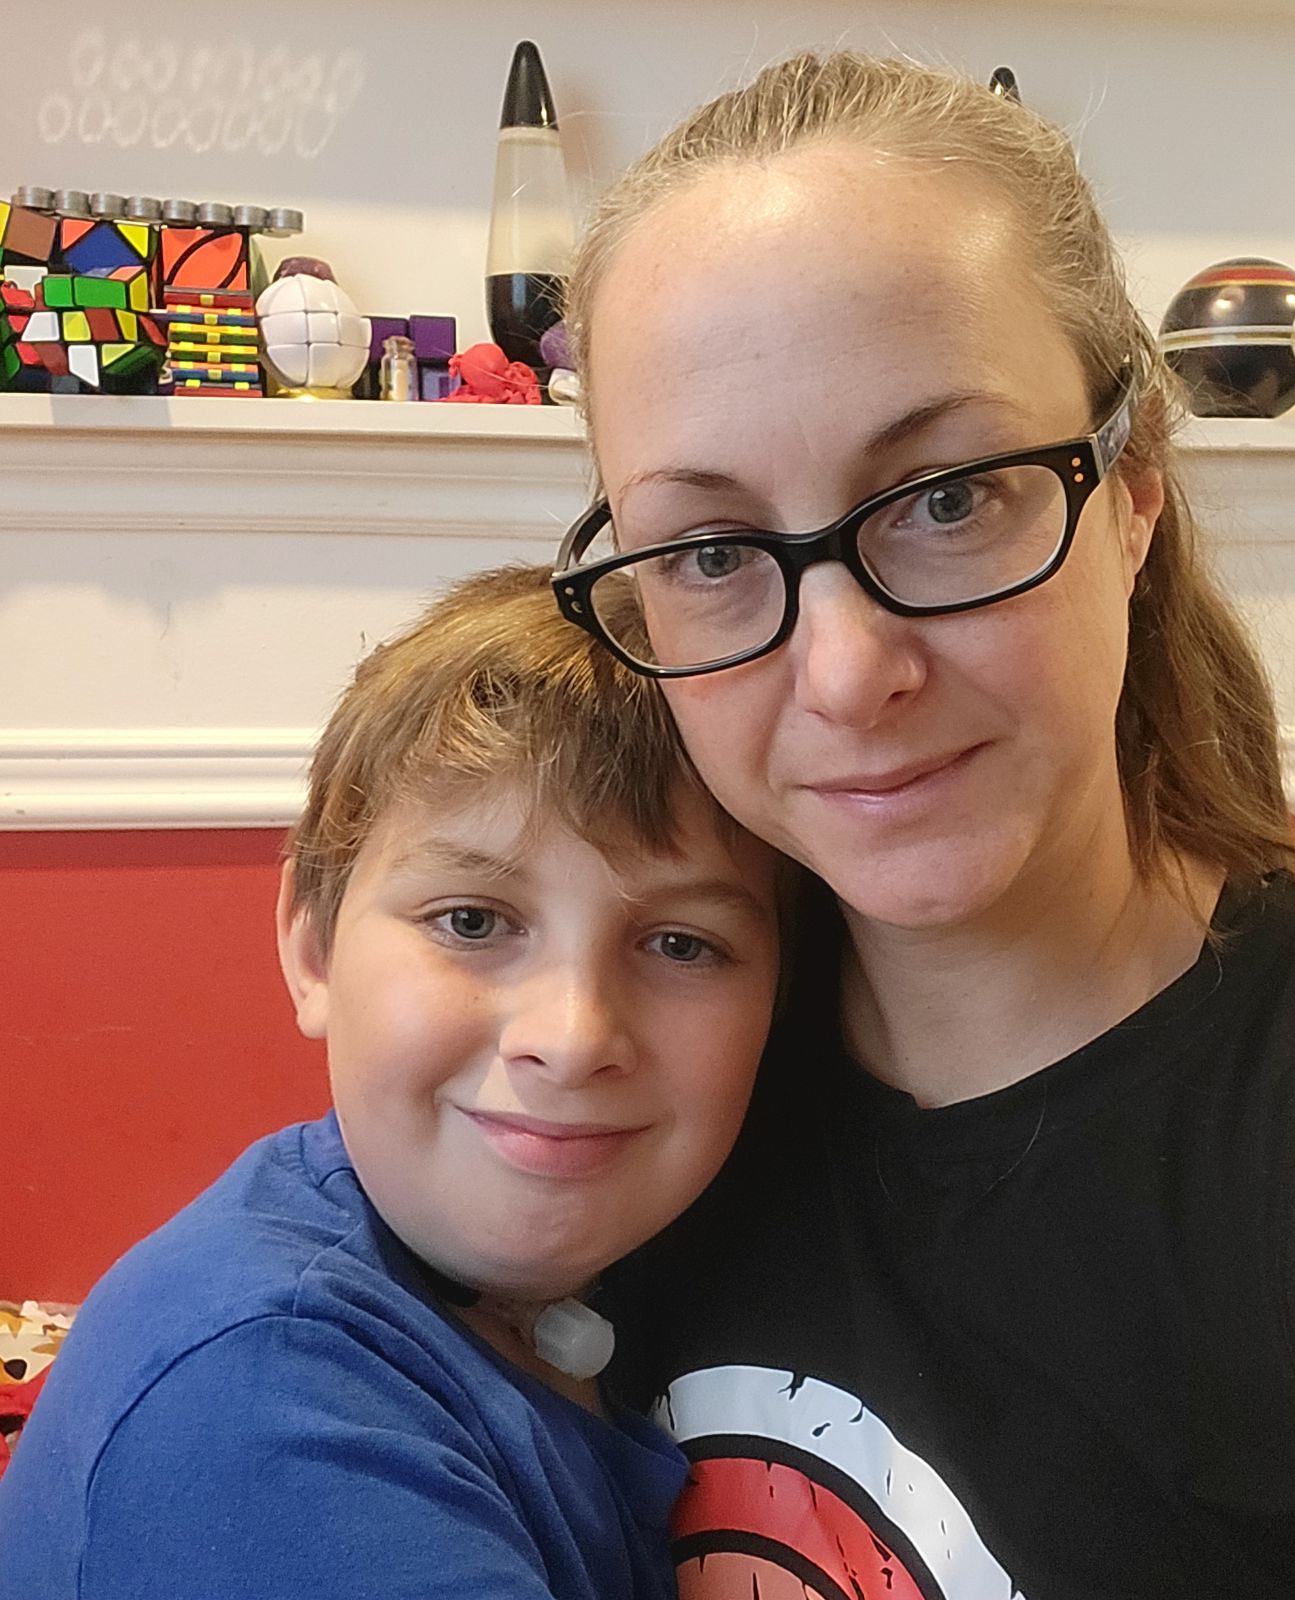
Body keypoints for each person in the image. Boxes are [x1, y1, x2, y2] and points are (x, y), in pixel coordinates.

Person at [549, 50, 1295, 1600]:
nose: (847, 673)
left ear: (1133, 494)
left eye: (951, 494)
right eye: (709, 548)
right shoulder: (630, 1067)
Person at [0, 565, 782, 1599]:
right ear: (314, 946)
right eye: (471, 920)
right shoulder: (260, 1413)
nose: (574, 1034)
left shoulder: (633, 1263)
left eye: (680, 943)